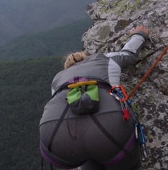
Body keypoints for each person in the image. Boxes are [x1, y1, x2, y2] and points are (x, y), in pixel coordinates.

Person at [39, 25, 150, 170]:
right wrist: (140, 34)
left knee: (85, 153)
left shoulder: (57, 79)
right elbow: (129, 54)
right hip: (110, 127)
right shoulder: (103, 59)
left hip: (56, 134)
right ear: (86, 57)